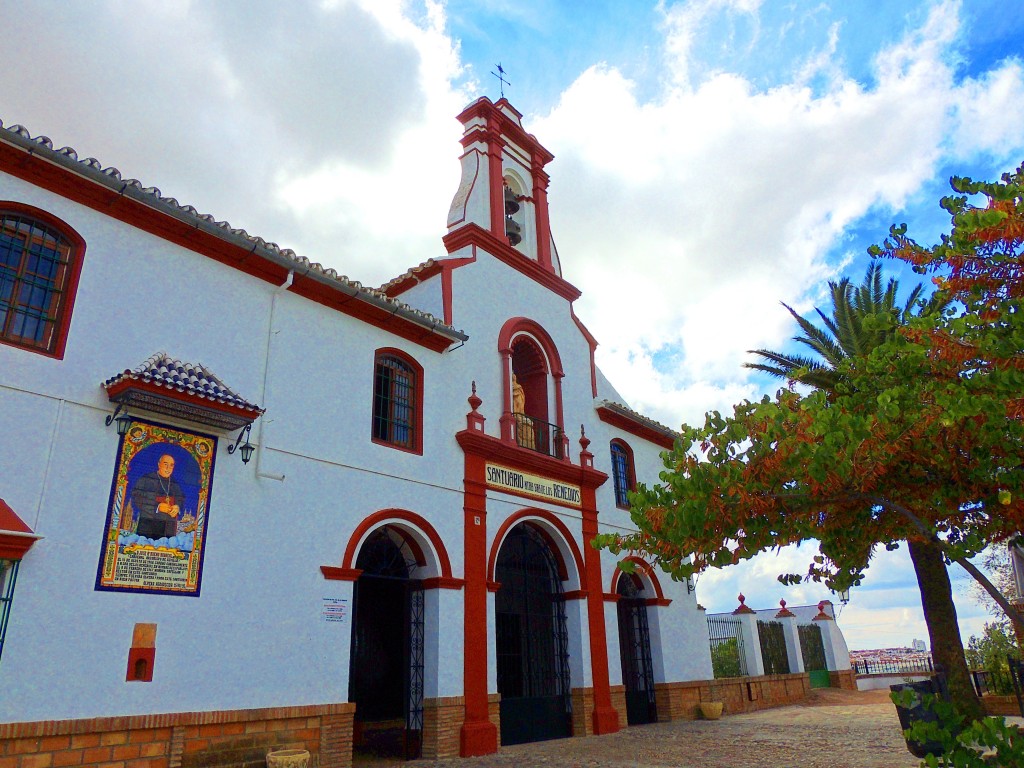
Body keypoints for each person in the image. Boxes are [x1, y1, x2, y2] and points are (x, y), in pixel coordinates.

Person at [131, 453, 184, 540]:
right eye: (165, 464)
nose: (168, 468)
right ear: (159, 464)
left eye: (171, 466)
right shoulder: (146, 479)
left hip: (168, 529)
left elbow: (181, 499)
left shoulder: (175, 484)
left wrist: (177, 507)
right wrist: (157, 506)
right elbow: (137, 497)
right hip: (148, 526)